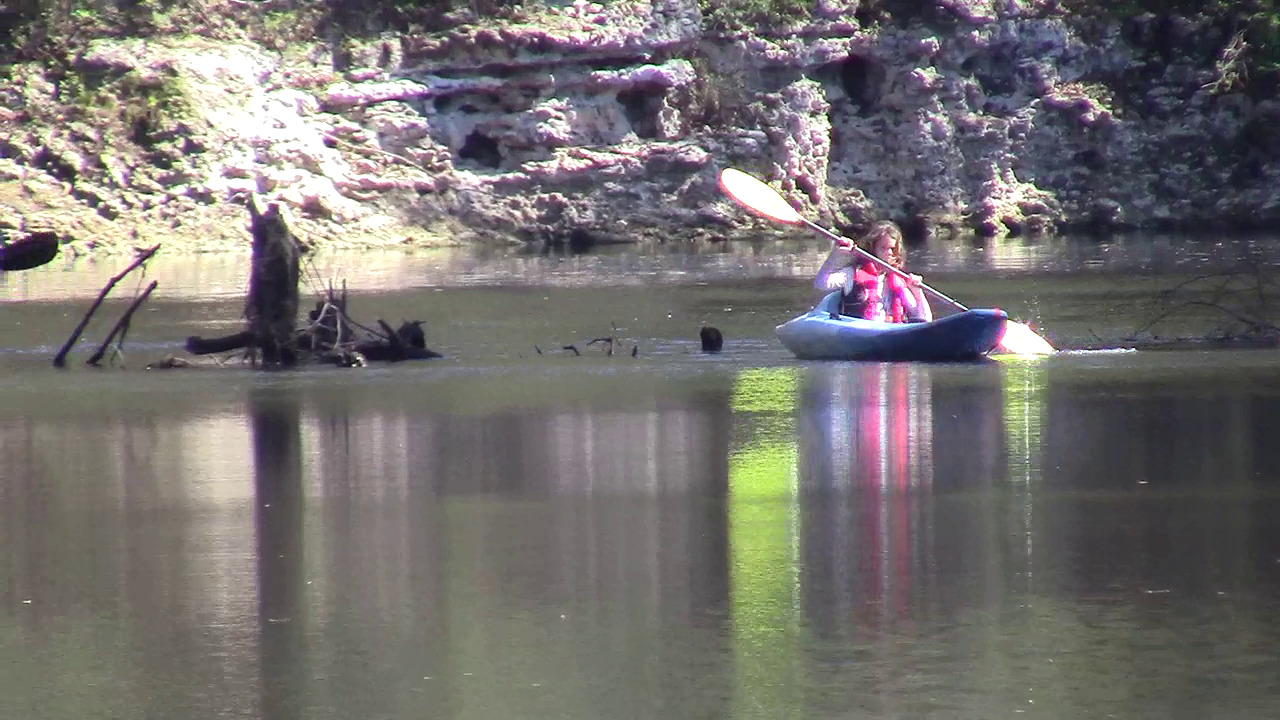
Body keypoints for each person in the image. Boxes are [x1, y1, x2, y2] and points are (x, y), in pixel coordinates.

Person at [813, 221, 933, 323]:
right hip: (857, 332)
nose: (889, 253)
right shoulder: (853, 274)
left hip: (890, 333)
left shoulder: (899, 281)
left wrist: (918, 292)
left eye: (892, 248)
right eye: (883, 248)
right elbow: (821, 283)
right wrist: (837, 254)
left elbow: (924, 319)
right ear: (873, 248)